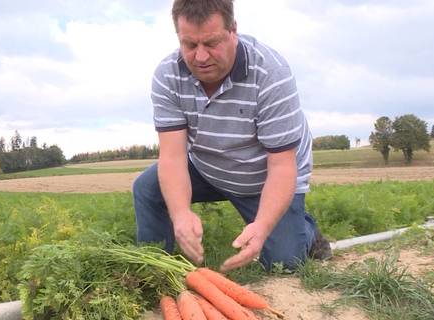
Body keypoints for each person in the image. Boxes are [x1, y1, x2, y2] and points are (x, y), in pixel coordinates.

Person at [132, 0, 331, 272]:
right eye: (190, 45)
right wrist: (180, 214)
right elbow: (173, 158)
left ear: (233, 30)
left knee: (284, 263)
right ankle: (155, 270)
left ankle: (306, 233)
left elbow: (282, 166)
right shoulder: (168, 75)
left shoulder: (271, 74)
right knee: (147, 188)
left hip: (264, 176)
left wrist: (261, 228)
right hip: (208, 166)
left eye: (211, 43)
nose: (200, 57)